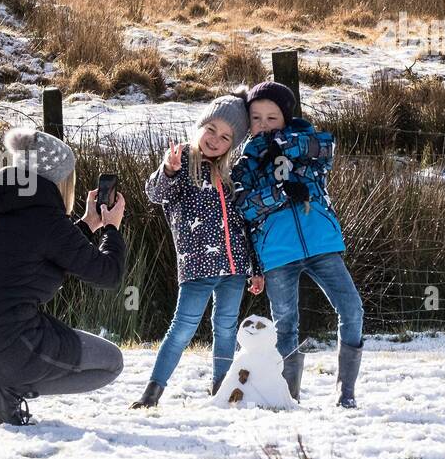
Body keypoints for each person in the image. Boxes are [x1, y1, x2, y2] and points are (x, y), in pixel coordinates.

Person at [0, 127, 127, 426]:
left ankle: (3, 391)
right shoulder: (48, 221)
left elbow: (40, 249)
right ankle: (8, 392)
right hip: (3, 346)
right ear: (58, 179)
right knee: (110, 363)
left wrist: (87, 225)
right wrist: (112, 228)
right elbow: (108, 274)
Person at [231, 81, 364, 408]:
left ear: (286, 118)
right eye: (256, 118)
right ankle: (290, 396)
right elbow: (242, 206)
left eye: (271, 118)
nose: (263, 125)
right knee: (286, 325)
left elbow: (325, 150)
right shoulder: (247, 161)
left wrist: (279, 146)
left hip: (322, 243)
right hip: (277, 254)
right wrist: (277, 192)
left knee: (352, 308)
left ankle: (345, 392)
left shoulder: (307, 140)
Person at [132, 94, 263, 409]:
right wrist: (167, 169)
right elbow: (155, 193)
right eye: (212, 129)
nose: (216, 140)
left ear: (233, 144)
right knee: (183, 329)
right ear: (200, 126)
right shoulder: (183, 165)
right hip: (198, 268)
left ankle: (221, 389)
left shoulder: (232, 176)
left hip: (234, 269)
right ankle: (152, 392)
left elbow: (246, 225)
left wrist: (256, 267)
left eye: (226, 137)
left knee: (226, 327)